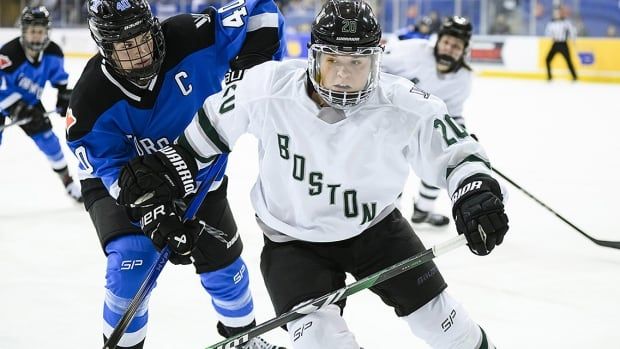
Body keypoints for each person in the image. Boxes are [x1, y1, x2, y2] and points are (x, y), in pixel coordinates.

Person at [116, 1, 509, 348]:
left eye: (356, 63)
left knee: (446, 326)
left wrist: (473, 189)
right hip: (292, 244)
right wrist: (165, 173)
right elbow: (207, 134)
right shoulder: (266, 88)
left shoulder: (401, 102)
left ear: (376, 61)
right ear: (313, 57)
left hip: (377, 231)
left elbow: (458, 152)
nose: (342, 75)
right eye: (333, 61)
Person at [65, 0, 287, 347]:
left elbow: (261, 9)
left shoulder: (190, 36)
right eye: (125, 46)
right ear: (106, 49)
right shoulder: (90, 100)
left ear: (154, 27)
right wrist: (153, 211)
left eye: (142, 38)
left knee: (226, 266)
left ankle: (242, 341)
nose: (139, 53)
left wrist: (254, 64)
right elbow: (106, 165)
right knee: (134, 264)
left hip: (199, 173)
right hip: (127, 187)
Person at [382, 16, 474, 227]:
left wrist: (461, 137)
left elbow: (453, 114)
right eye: (446, 42)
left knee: (445, 157)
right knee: (391, 167)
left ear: (464, 50)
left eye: (456, 46)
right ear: (438, 40)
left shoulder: (462, 79)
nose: (449, 48)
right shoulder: (412, 50)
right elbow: (375, 63)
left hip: (424, 127)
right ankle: (390, 217)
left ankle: (423, 210)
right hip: (393, 122)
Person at [0, 6, 81, 202]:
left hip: (30, 102)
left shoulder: (53, 52)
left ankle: (68, 182)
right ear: (24, 31)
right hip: (4, 101)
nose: (36, 36)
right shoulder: (8, 54)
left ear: (47, 32)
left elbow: (60, 80)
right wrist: (16, 108)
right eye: (32, 31)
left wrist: (63, 97)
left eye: (40, 31)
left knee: (49, 140)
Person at [544, 7, 578, 81]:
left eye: (559, 13)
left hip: (563, 44)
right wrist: (551, 36)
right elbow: (547, 32)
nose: (557, 14)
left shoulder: (566, 22)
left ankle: (575, 77)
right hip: (555, 44)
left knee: (568, 61)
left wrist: (573, 39)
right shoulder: (551, 23)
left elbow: (572, 31)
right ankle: (549, 77)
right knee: (547, 60)